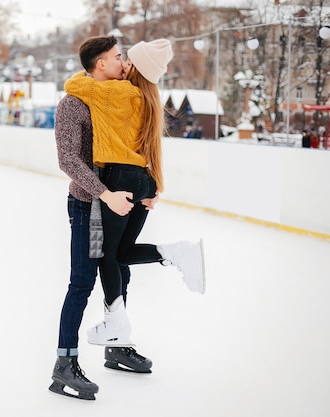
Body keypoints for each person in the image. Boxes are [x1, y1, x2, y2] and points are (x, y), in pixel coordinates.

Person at [64, 39, 205, 349]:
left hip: (118, 178)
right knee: (121, 256)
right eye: (119, 57)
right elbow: (152, 146)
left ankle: (116, 323)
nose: (123, 63)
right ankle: (173, 254)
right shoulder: (147, 97)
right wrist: (156, 186)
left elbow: (74, 83)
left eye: (127, 60)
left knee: (106, 258)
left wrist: (99, 71)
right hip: (143, 179)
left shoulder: (115, 92)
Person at [50, 35, 154, 401]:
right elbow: (68, 160)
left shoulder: (121, 97)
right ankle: (65, 364)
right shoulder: (74, 104)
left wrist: (149, 185)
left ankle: (116, 342)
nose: (123, 61)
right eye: (116, 57)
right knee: (82, 281)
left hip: (119, 198)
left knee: (120, 267)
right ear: (100, 66)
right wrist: (104, 193)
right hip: (88, 205)